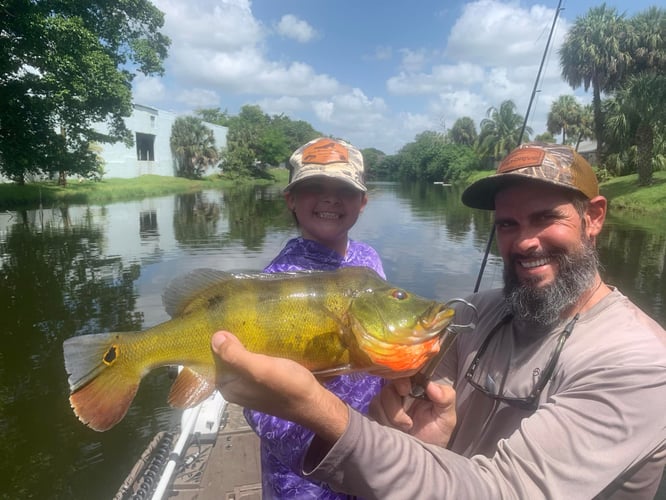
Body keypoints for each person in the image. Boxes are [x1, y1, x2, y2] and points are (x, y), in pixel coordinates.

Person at [212, 142, 666, 499]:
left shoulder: (640, 365)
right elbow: (407, 393)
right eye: (507, 224)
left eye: (547, 218)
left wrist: (321, 410)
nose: (525, 242)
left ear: (595, 217)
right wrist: (413, 433)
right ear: (290, 200)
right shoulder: (482, 311)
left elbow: (500, 492)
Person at [244, 137, 386, 499]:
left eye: (344, 189)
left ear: (363, 202)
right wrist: (341, 452)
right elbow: (255, 400)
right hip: (306, 480)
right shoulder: (273, 285)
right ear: (290, 198)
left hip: (379, 454)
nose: (329, 198)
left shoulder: (368, 260)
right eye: (313, 187)